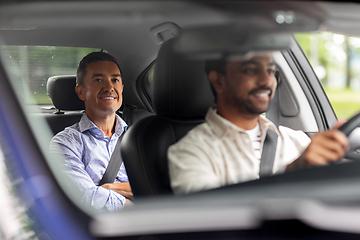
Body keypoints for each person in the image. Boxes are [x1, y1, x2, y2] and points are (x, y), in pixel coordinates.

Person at [168, 52, 349, 195]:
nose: (266, 81)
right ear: (218, 81)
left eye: (270, 71)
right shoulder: (189, 152)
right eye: (251, 70)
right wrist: (291, 172)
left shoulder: (296, 140)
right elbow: (207, 219)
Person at [50, 51, 132, 211]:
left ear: (121, 88)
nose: (109, 87)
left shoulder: (140, 137)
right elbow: (87, 198)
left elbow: (162, 189)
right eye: (98, 80)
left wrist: (108, 188)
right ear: (80, 91)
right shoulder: (65, 143)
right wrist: (138, 206)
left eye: (114, 80)